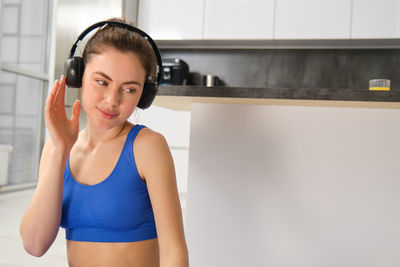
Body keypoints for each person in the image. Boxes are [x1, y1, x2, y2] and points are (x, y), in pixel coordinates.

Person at [19, 18, 189, 267]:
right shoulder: (58, 148)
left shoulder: (147, 147)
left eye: (129, 89)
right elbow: (34, 244)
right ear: (77, 76)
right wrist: (59, 149)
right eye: (102, 82)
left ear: (145, 94)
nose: (112, 100)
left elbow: (175, 253)